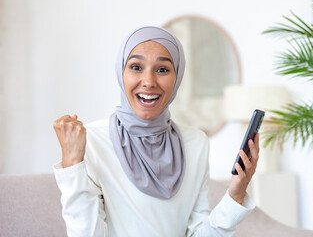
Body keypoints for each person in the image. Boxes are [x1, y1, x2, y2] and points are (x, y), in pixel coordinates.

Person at [53, 26, 259, 237]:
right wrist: (73, 167)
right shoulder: (91, 140)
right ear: (120, 73)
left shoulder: (195, 143)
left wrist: (236, 194)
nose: (149, 82)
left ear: (177, 76)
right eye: (136, 67)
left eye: (162, 69)